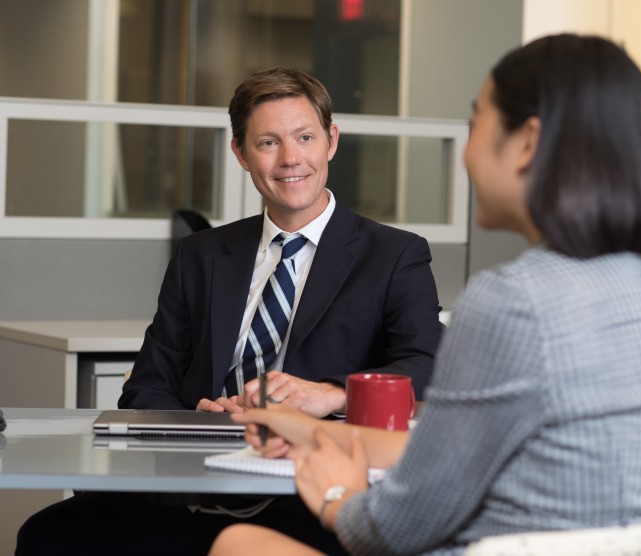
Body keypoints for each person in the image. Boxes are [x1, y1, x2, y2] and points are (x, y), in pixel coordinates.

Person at [208, 34, 641, 556]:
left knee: (238, 542)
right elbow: (447, 451)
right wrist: (314, 434)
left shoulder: (514, 300)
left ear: (527, 143)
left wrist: (337, 497)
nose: (467, 154)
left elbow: (392, 529)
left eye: (477, 123)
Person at [16, 67, 443, 556]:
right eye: (268, 143)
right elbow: (147, 386)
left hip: (309, 488)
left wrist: (329, 396)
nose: (290, 159)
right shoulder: (201, 255)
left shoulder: (394, 255)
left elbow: (425, 369)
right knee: (50, 534)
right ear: (240, 153)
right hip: (200, 480)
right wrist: (197, 419)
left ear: (331, 140)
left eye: (304, 137)